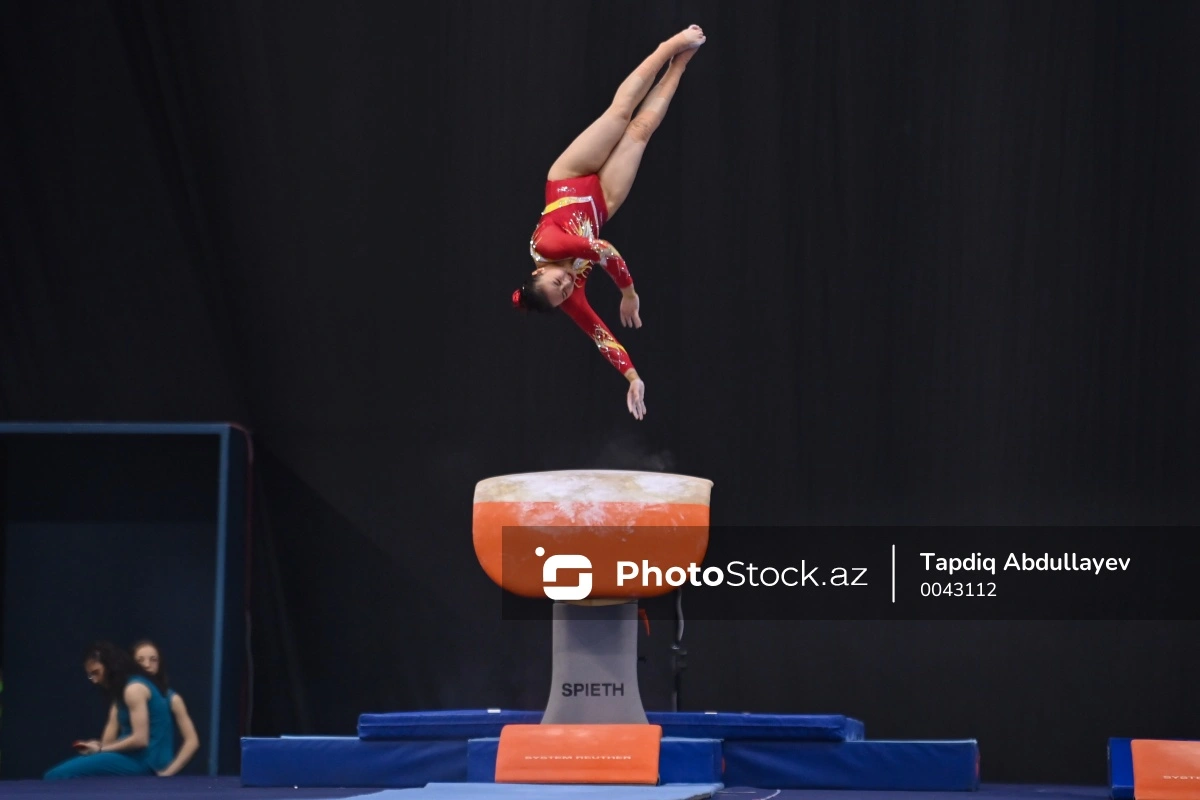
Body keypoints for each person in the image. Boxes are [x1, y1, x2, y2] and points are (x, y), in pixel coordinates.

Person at [512, 25, 706, 420]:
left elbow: (601, 249)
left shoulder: (550, 248)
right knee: (641, 130)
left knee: (619, 114)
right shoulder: (566, 296)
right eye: (565, 293)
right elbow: (601, 336)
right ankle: (681, 64)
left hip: (568, 176)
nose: (567, 285)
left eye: (557, 283)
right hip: (602, 202)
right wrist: (633, 377)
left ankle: (669, 46)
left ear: (540, 272)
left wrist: (628, 293)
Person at [43, 641, 173, 779]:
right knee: (59, 773)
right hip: (135, 757)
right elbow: (109, 740)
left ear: (110, 667)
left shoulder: (133, 689)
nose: (94, 680)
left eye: (96, 673)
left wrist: (100, 749)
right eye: (90, 675)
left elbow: (140, 740)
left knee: (56, 776)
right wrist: (96, 746)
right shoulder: (121, 693)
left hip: (147, 762)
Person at [132, 639, 199, 776]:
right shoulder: (124, 698)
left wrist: (169, 772)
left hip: (156, 767)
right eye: (140, 660)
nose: (147, 665)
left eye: (153, 660)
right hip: (130, 764)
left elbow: (192, 740)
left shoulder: (172, 699)